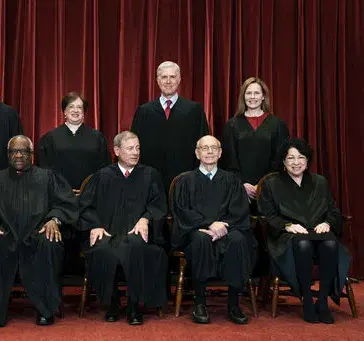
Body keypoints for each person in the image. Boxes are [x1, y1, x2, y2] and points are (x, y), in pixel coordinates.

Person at [0, 135, 78, 327]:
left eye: (23, 151)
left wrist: (54, 220)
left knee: (50, 241)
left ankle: (46, 309)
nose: (18, 155)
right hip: (6, 234)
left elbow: (66, 204)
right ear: (8, 155)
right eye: (14, 151)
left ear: (31, 154)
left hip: (38, 233)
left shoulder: (48, 177)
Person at [77, 131, 168, 325]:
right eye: (130, 148)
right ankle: (113, 303)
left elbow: (158, 205)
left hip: (136, 233)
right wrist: (95, 225)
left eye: (137, 148)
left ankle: (134, 306)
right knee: (101, 250)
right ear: (117, 150)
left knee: (136, 247)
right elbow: (85, 206)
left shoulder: (150, 174)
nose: (135, 152)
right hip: (108, 232)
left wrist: (146, 219)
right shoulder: (102, 176)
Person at [257, 138, 351, 324]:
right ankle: (307, 300)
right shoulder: (272, 183)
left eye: (301, 157)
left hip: (318, 231)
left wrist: (328, 223)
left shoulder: (320, 182)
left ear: (307, 161)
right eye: (290, 158)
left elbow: (333, 211)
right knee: (303, 244)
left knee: (331, 244)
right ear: (283, 161)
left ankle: (322, 300)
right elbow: (267, 215)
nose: (296, 162)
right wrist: (287, 225)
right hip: (287, 236)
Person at [171, 135, 256, 325]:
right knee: (201, 240)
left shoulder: (232, 180)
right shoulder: (185, 181)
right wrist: (210, 224)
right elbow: (182, 211)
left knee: (238, 240)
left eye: (213, 148)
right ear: (197, 153)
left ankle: (234, 304)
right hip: (197, 230)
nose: (209, 151)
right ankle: (200, 303)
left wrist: (223, 225)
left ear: (220, 153)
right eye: (204, 148)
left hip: (228, 228)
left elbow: (239, 210)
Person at [131, 61, 209, 191]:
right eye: (164, 77)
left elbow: (203, 145)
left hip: (186, 181)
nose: (168, 81)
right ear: (157, 80)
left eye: (172, 77)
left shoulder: (194, 110)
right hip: (150, 182)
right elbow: (134, 147)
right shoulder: (144, 111)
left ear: (179, 80)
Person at [221, 77, 289, 209]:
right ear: (243, 96)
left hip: (270, 189)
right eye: (248, 93)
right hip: (239, 191)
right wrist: (242, 184)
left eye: (257, 93)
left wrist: (263, 184)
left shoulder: (277, 124)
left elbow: (280, 159)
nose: (252, 97)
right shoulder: (232, 125)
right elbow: (228, 160)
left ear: (263, 96)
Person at [38, 92, 111, 191]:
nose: (75, 110)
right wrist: (61, 189)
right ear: (64, 111)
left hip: (90, 195)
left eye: (79, 107)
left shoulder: (98, 137)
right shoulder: (50, 138)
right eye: (71, 106)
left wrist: (90, 189)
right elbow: (44, 169)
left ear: (84, 112)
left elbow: (104, 169)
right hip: (59, 196)